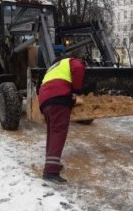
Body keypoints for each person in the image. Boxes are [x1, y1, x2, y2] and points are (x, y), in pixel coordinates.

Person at [38, 54, 85, 183]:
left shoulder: (53, 68)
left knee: (53, 132)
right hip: (58, 97)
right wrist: (76, 91)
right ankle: (50, 171)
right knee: (59, 132)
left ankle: (52, 163)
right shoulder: (72, 60)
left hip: (45, 99)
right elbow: (78, 68)